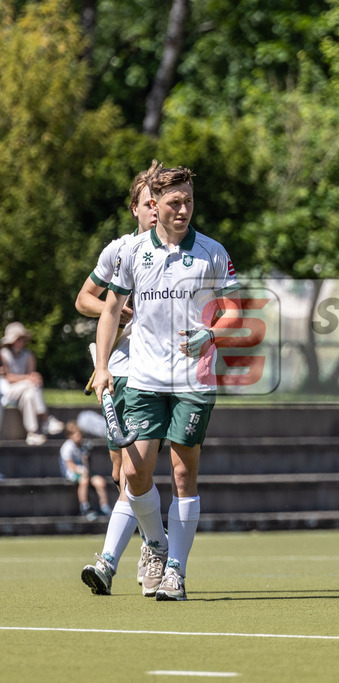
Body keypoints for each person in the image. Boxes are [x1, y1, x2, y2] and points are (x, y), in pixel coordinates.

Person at [92, 165, 240, 601]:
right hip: (142, 379)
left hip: (193, 381)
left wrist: (211, 331)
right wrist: (102, 366)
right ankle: (155, 543)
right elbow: (108, 310)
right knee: (134, 473)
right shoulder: (133, 252)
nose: (183, 210)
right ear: (153, 205)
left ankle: (175, 569)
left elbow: (233, 310)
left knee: (181, 473)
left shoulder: (213, 251)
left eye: (189, 201)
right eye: (175, 202)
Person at [78, 160, 162, 596]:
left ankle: (130, 556)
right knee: (119, 472)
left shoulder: (171, 254)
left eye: (158, 202)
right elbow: (84, 299)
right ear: (135, 208)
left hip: (152, 375)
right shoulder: (119, 251)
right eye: (147, 203)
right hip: (117, 370)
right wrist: (116, 309)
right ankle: (153, 541)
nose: (154, 210)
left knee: (134, 471)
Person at [0, 322, 64, 445]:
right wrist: (28, 379)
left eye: (23, 339)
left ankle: (33, 432)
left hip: (24, 390)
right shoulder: (3, 354)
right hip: (8, 391)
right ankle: (45, 419)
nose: (22, 342)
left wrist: (34, 377)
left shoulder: (28, 355)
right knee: (31, 385)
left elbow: (31, 374)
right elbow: (8, 377)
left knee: (29, 395)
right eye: (19, 339)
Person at [60, 419, 110, 520]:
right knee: (84, 480)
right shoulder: (67, 447)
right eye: (76, 434)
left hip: (85, 471)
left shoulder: (83, 445)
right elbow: (70, 465)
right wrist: (81, 470)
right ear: (70, 435)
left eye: (80, 434)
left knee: (100, 482)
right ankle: (85, 507)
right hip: (72, 472)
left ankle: (105, 507)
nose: (79, 437)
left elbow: (87, 464)